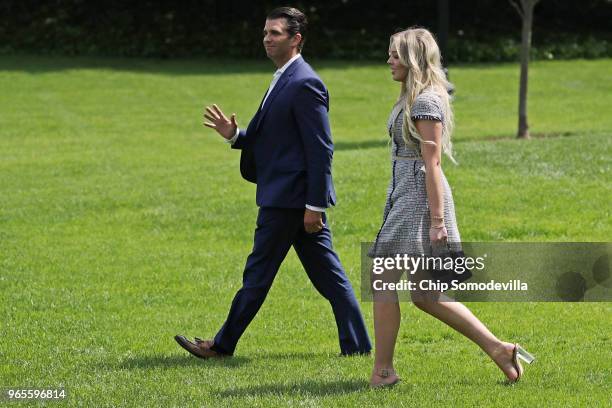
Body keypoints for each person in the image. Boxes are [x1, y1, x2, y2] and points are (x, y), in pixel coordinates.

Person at [175, 7, 371, 359]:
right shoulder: (285, 77)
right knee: (330, 278)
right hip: (288, 198)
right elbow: (279, 141)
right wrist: (236, 135)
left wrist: (315, 205)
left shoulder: (305, 82)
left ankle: (221, 346)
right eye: (265, 32)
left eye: (275, 33)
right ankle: (357, 347)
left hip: (289, 202)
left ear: (296, 39)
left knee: (258, 275)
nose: (267, 38)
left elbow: (321, 148)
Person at [367, 28, 535, 387]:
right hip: (406, 195)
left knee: (383, 278)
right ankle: (499, 349)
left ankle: (383, 371)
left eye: (395, 55)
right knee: (426, 296)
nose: (389, 61)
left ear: (412, 59)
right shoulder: (411, 99)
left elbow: (433, 164)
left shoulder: (425, 102)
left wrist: (438, 221)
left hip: (418, 201)